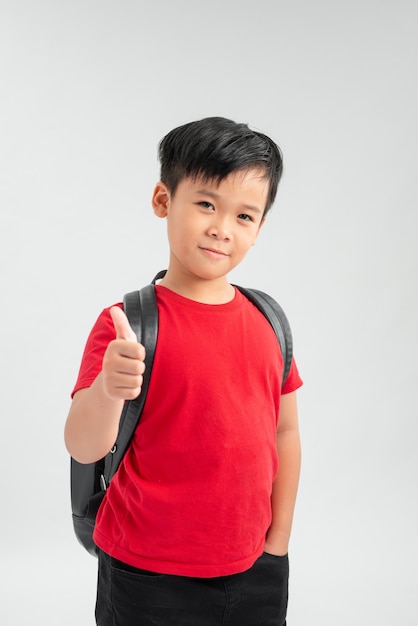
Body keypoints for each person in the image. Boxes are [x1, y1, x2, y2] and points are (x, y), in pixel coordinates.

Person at [64, 116, 303, 626]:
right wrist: (109, 388)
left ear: (259, 228)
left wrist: (278, 540)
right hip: (145, 575)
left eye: (244, 216)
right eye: (206, 204)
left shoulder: (269, 321)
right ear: (162, 200)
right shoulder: (127, 324)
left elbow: (285, 430)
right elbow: (83, 446)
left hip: (255, 569)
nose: (222, 228)